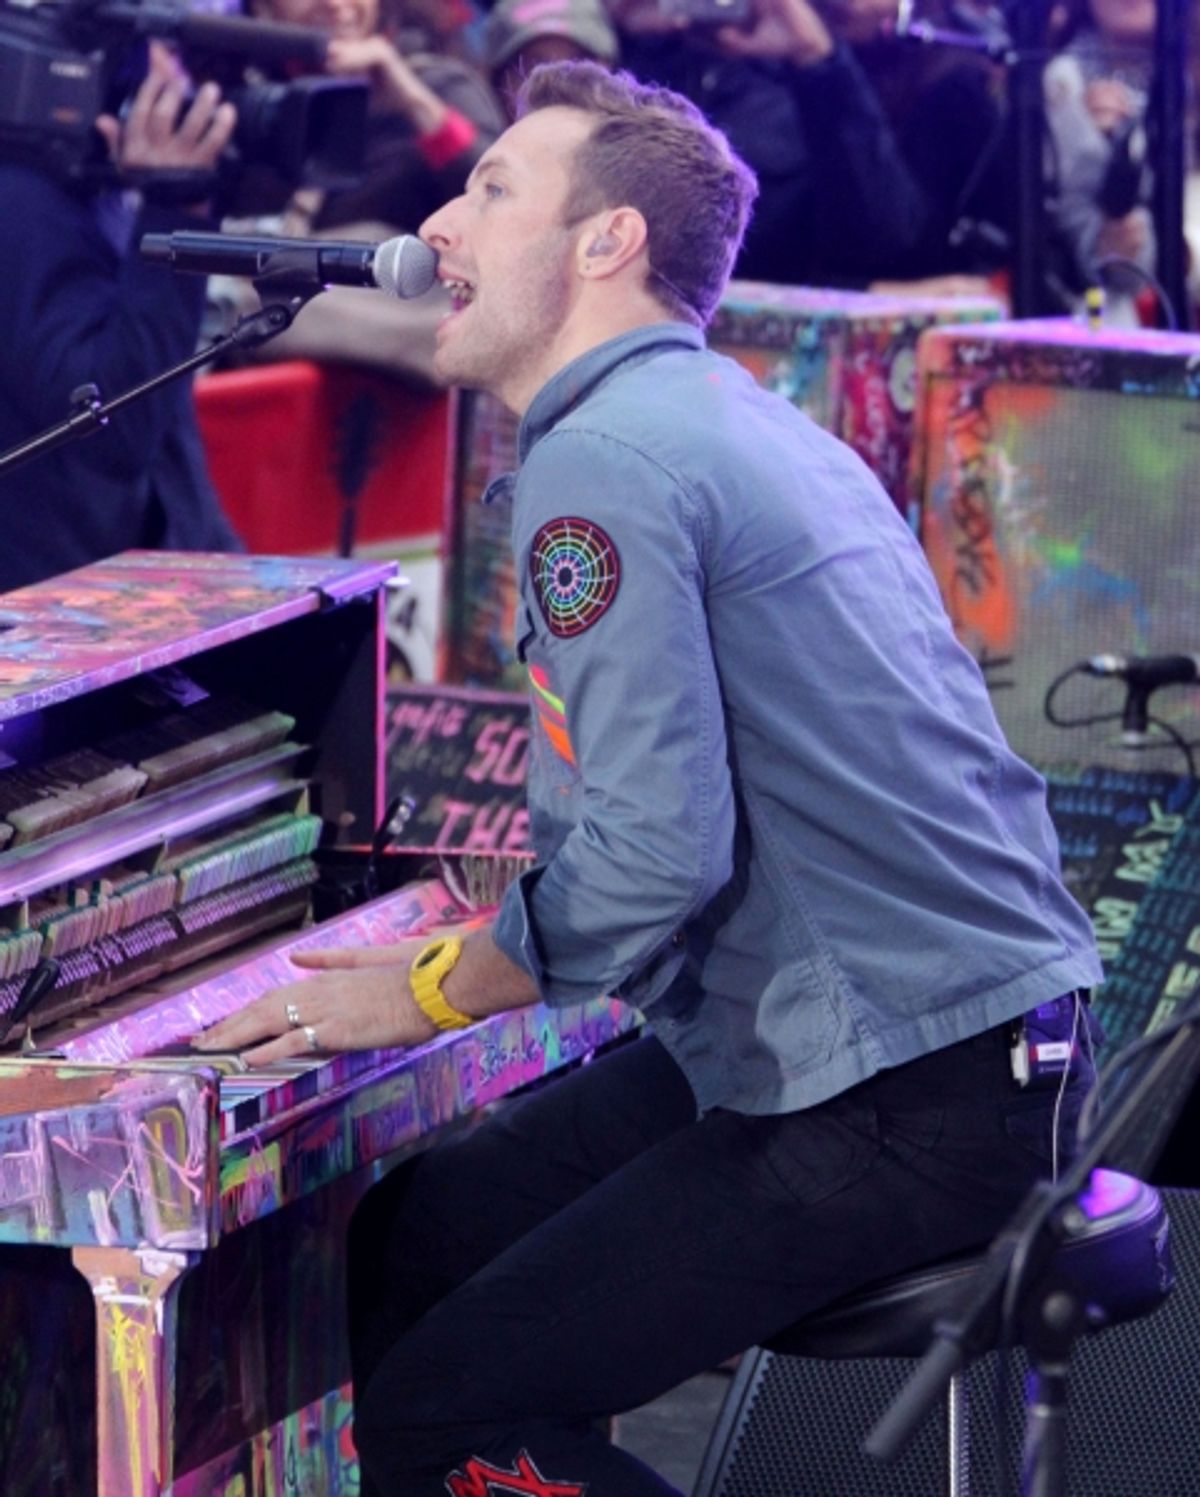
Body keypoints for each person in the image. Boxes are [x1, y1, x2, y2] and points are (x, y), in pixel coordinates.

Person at [196, 60, 1104, 1496]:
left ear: (606, 243)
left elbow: (654, 859)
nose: (442, 218)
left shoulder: (611, 458)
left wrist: (419, 991)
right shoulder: (722, 417)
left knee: (445, 1413)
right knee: (416, 1235)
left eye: (493, 189)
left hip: (899, 1085)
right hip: (943, 1045)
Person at [0, 42, 243, 592]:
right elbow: (113, 422)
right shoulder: (19, 202)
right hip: (67, 617)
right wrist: (178, 207)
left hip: (154, 579)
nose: (173, 78)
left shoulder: (88, 182)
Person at [600, 0, 931, 286]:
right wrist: (604, 36)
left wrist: (817, 59)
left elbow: (887, 242)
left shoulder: (805, 75)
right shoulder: (611, 46)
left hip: (762, 334)